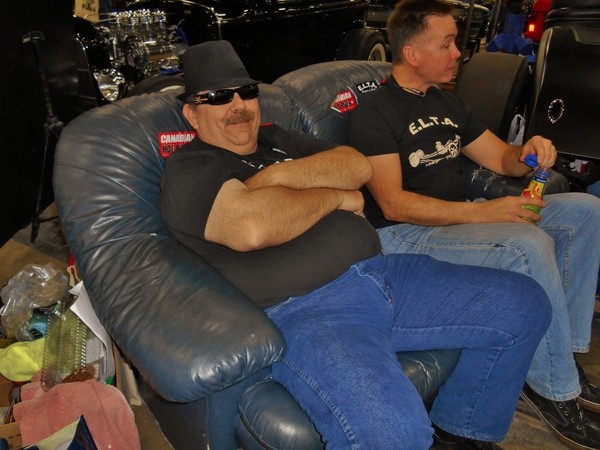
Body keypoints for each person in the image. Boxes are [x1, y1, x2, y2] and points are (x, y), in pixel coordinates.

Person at [160, 40, 551, 450]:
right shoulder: (191, 167)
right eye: (219, 97)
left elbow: (356, 165)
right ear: (191, 113)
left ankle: (461, 433)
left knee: (524, 304)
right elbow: (252, 228)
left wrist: (272, 180)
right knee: (393, 433)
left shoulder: (278, 140)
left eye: (246, 92)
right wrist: (337, 197)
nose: (238, 106)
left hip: (385, 274)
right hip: (311, 310)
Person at [347, 1, 600, 448]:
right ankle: (553, 390)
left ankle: (563, 356)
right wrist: (485, 212)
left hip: (459, 218)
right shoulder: (375, 112)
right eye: (446, 44)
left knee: (585, 210)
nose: (457, 53)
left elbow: (501, 158)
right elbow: (393, 204)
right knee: (526, 243)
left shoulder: (448, 102)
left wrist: (528, 152)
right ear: (412, 54)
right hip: (405, 235)